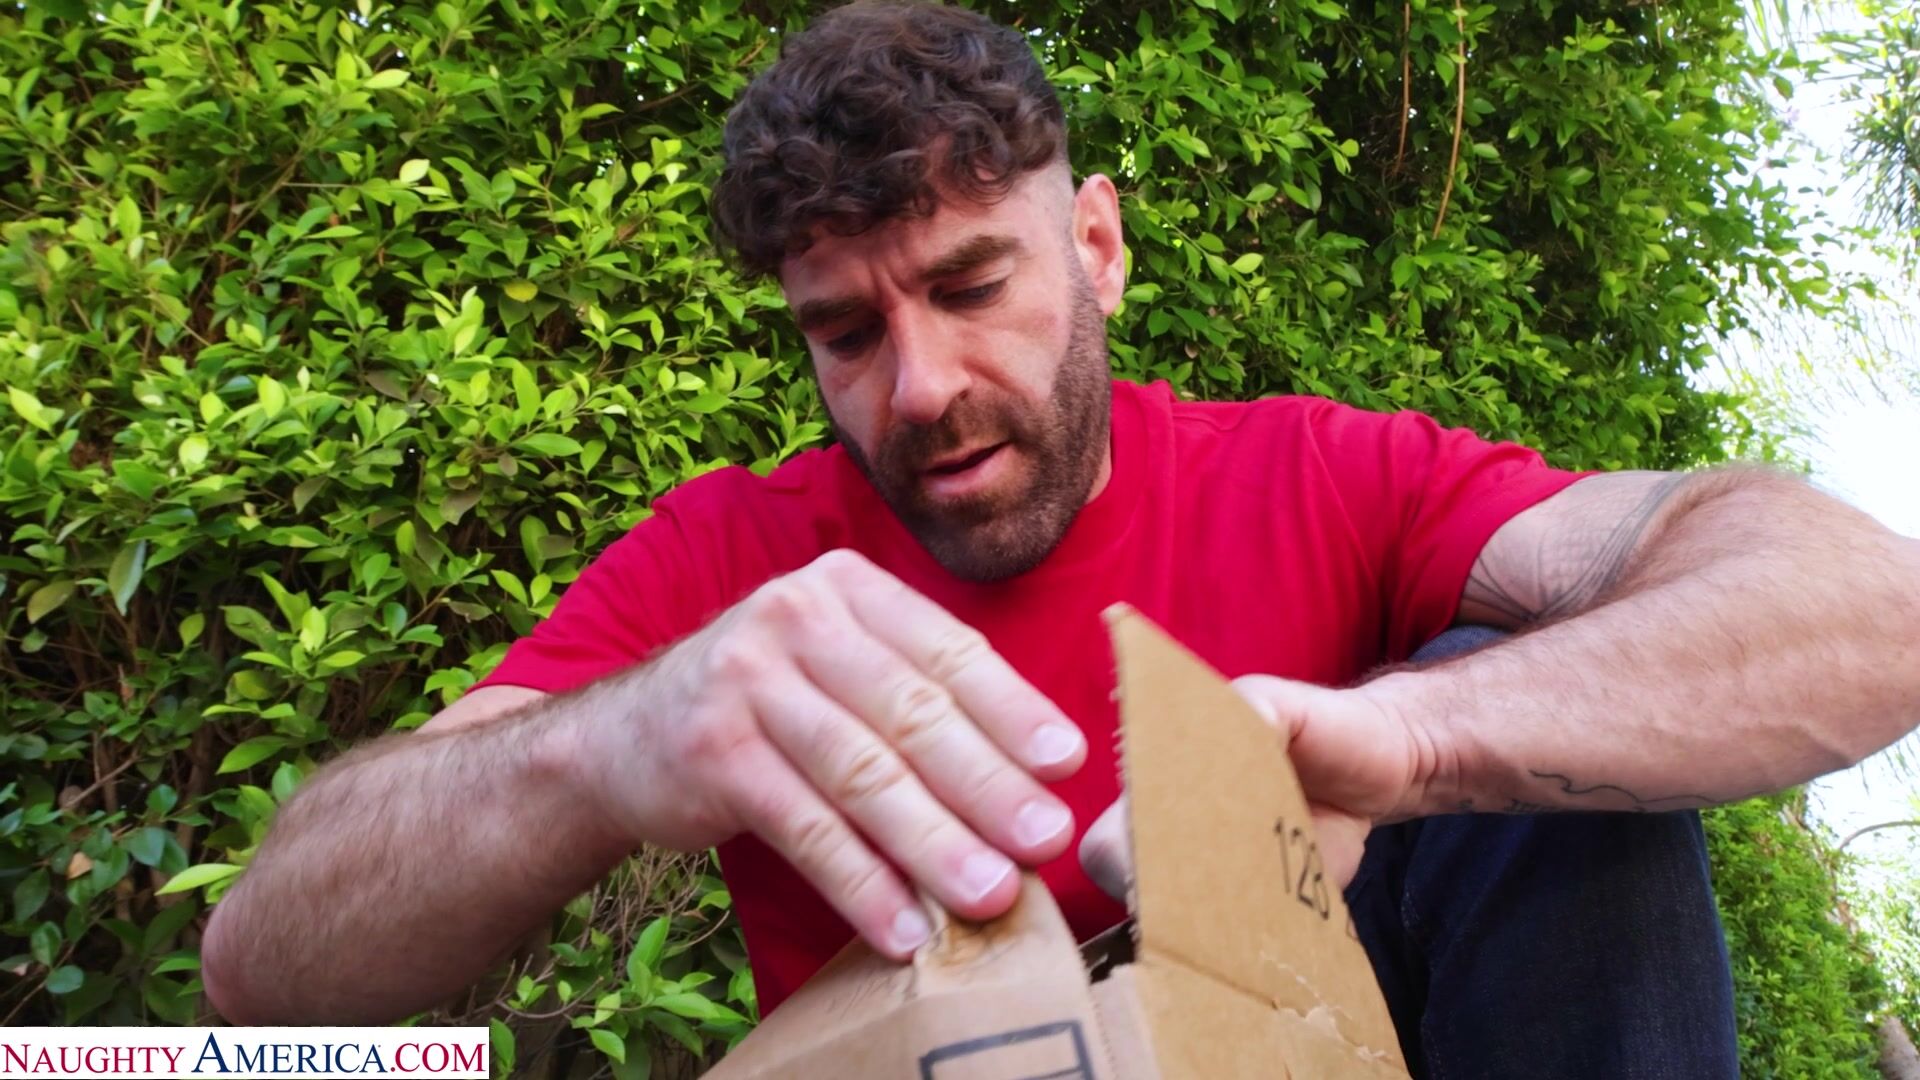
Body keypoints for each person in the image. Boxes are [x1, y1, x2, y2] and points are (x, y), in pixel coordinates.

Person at [201, 2, 1920, 1075]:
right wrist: (603, 746)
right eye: (844, 333)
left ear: (1095, 247)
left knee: (1535, 721)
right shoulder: (735, 561)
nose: (922, 388)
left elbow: (1868, 612)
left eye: (971, 286)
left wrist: (1413, 741)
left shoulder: (1322, 477)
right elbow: (263, 975)